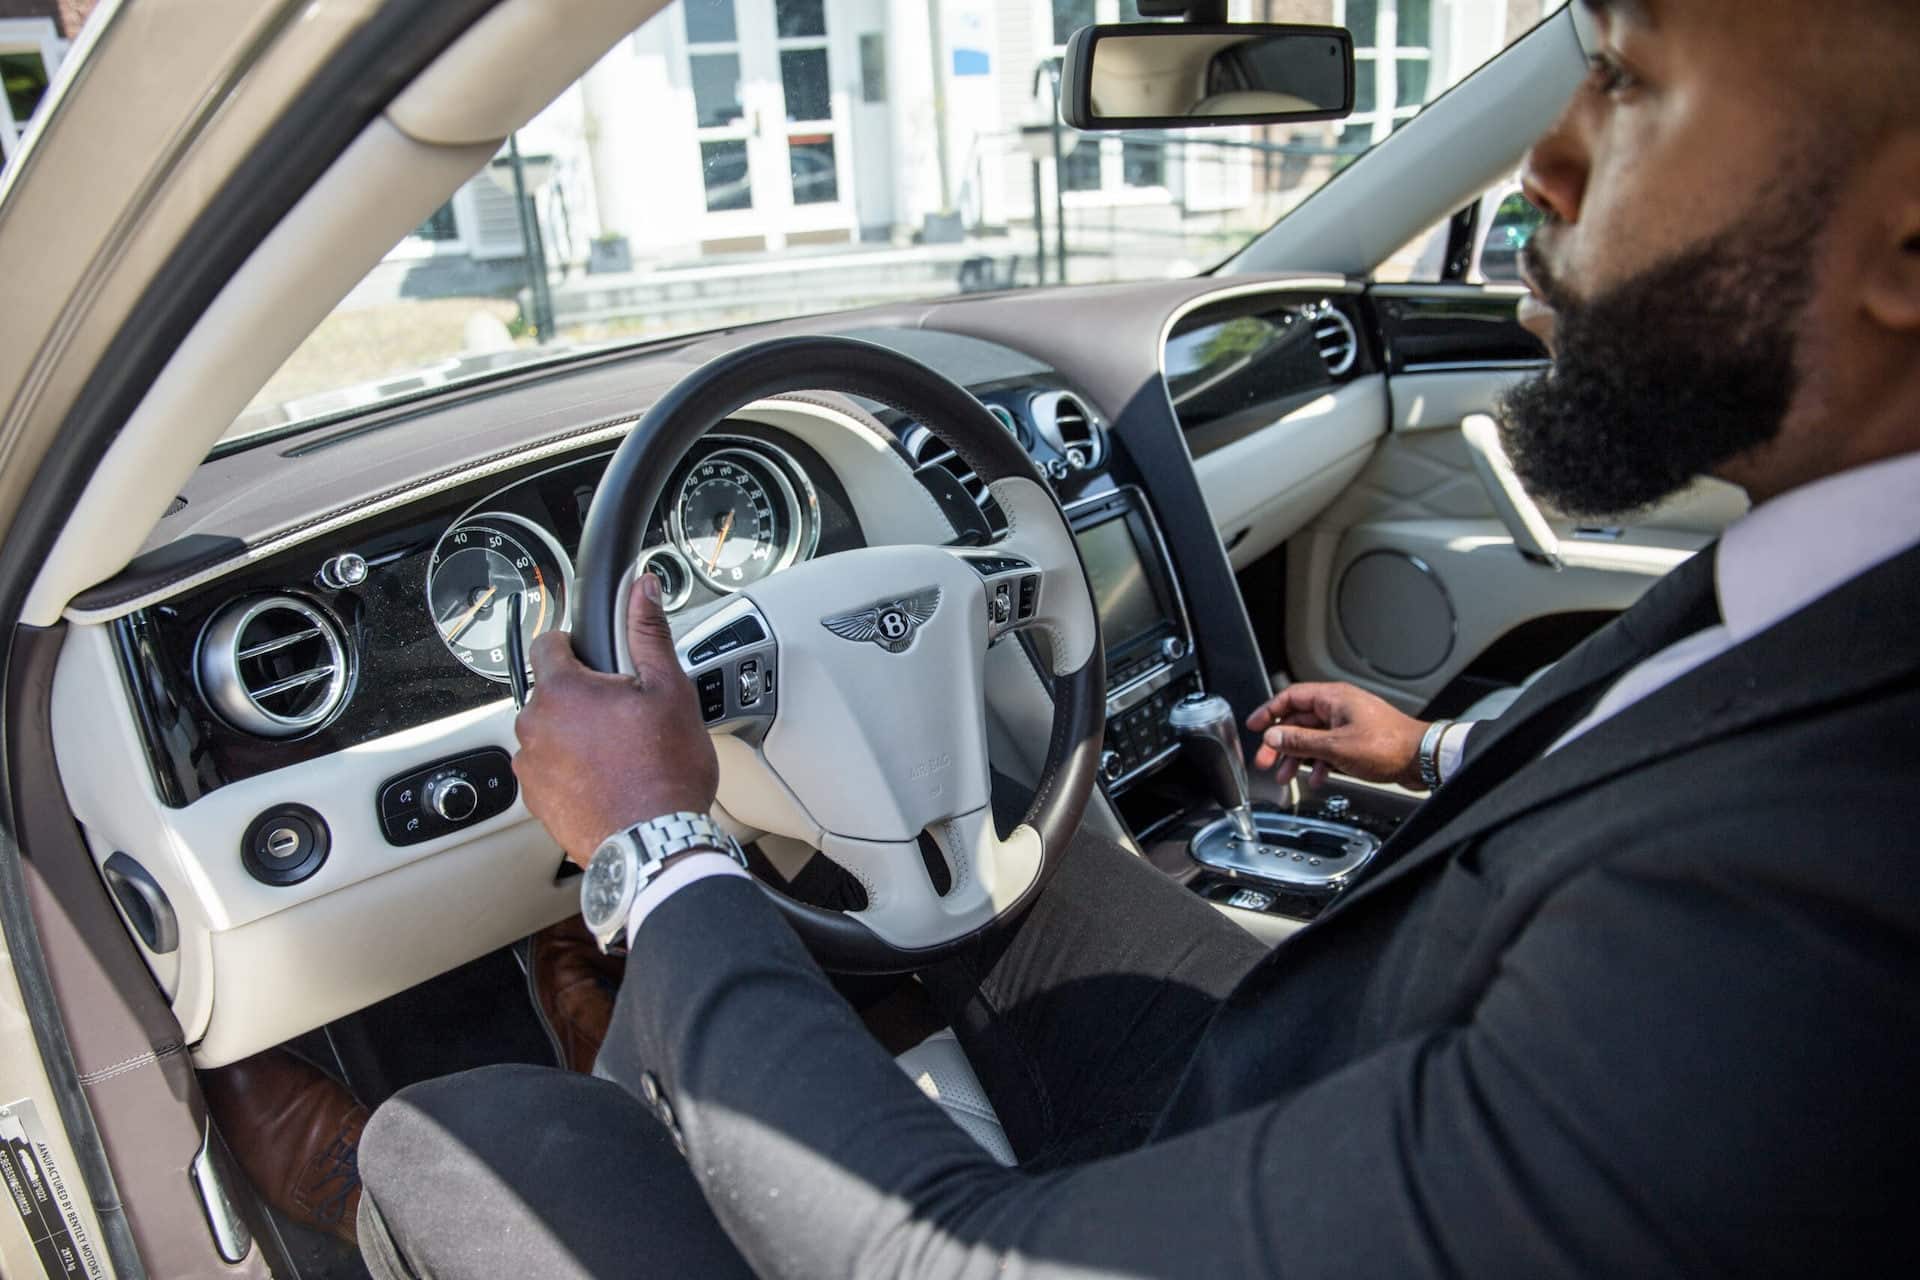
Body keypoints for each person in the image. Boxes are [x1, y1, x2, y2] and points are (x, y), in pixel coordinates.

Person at [355, 0, 1920, 1274]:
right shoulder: (1843, 593)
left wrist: (656, 848)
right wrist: (1447, 751)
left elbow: (944, 1258)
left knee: (463, 1135)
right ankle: (654, 1021)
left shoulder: (1799, 939)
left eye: (1630, 79)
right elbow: (1689, 730)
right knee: (1007, 888)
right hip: (1361, 1080)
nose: (1542, 172)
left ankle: (431, 1123)